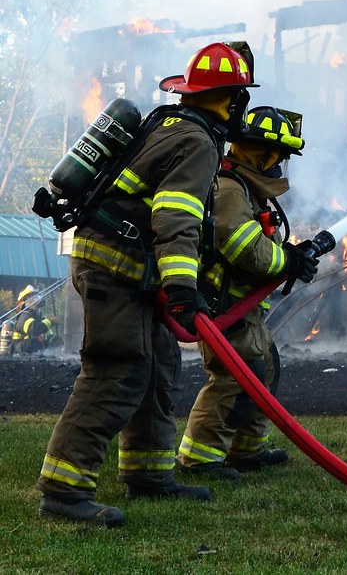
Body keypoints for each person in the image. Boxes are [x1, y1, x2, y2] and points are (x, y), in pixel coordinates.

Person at [36, 42, 258, 527]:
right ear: (232, 99)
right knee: (117, 370)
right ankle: (63, 489)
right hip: (115, 267)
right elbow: (176, 216)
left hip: (126, 266)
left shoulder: (167, 123)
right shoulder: (197, 142)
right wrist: (183, 287)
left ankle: (149, 474)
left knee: (157, 364)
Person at [177, 106, 317, 482]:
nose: (280, 165)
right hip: (222, 305)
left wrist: (291, 257)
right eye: (279, 156)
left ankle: (247, 447)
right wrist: (286, 261)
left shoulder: (244, 189)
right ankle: (199, 456)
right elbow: (243, 247)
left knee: (264, 366)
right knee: (237, 375)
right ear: (263, 152)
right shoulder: (228, 188)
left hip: (240, 305)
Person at [11, 286, 57, 354]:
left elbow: (48, 336)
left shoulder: (40, 317)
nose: (37, 299)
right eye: (33, 297)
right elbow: (35, 330)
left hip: (36, 353)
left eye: (37, 296)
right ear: (25, 302)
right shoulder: (24, 317)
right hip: (22, 353)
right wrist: (50, 322)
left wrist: (54, 343)